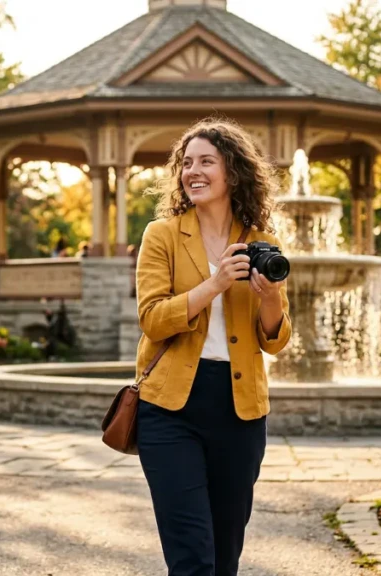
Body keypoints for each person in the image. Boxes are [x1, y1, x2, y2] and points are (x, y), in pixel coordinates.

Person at [134, 119, 292, 576]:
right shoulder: (161, 235)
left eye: (207, 161)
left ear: (233, 173)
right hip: (169, 409)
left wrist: (271, 297)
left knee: (224, 557)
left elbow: (276, 339)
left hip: (240, 412)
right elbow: (153, 319)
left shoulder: (263, 244)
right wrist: (216, 283)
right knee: (191, 558)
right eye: (187, 163)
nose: (193, 171)